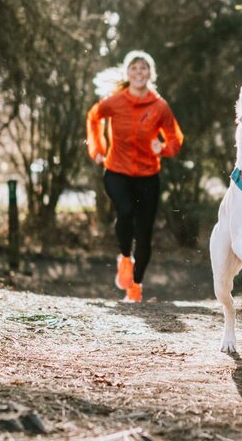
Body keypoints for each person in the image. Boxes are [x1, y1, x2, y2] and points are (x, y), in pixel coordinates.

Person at [86, 50, 184, 303]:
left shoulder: (159, 106)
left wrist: (162, 148)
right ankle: (124, 258)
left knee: (144, 233)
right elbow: (93, 118)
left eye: (144, 68)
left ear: (150, 74)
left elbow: (175, 139)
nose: (139, 72)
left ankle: (136, 286)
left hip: (148, 175)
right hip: (116, 171)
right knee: (126, 211)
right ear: (127, 73)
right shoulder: (114, 101)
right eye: (134, 68)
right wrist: (97, 150)